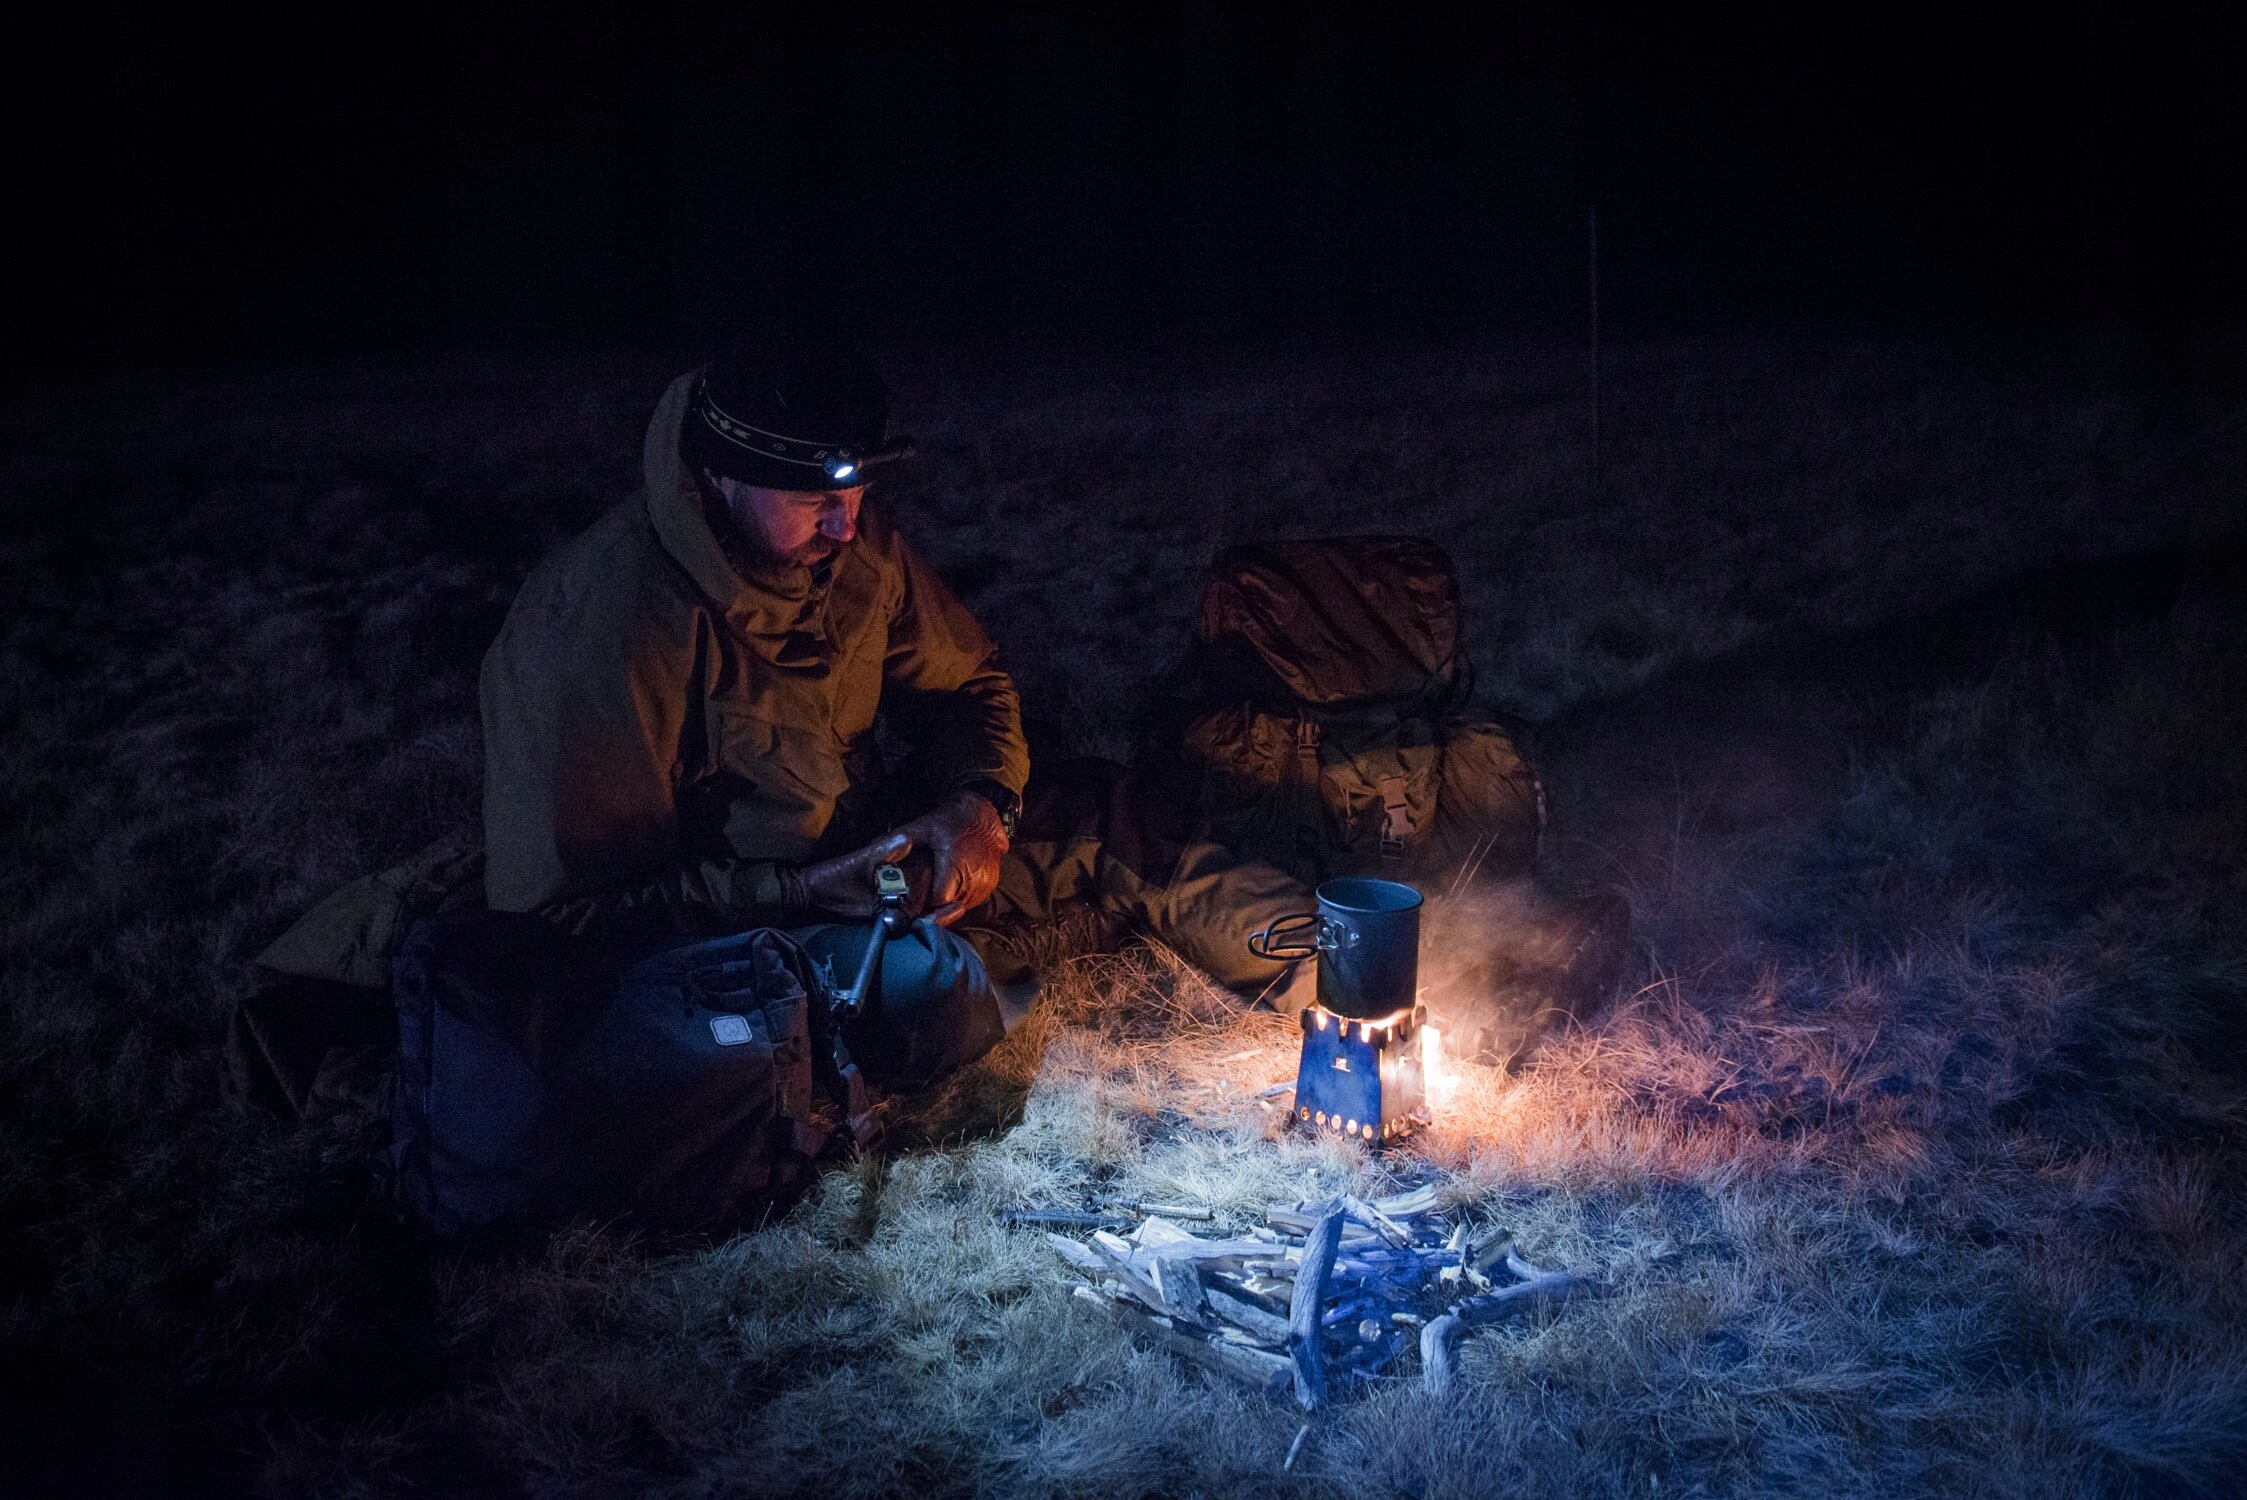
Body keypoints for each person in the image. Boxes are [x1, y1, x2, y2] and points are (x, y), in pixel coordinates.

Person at [235, 335, 1317, 1131]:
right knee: (912, 1006)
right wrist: (799, 894)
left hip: (858, 868)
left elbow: (971, 682)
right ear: (716, 478)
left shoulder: (848, 543)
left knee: (1106, 814)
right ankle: (949, 973)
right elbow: (566, 918)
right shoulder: (606, 630)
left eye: (856, 491)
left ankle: (1342, 980)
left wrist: (974, 805)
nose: (846, 526)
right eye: (813, 499)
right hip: (715, 933)